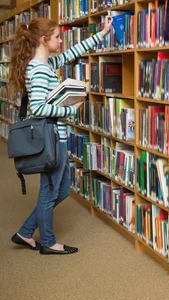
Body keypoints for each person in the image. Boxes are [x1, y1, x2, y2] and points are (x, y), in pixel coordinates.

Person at [8, 16, 113, 255]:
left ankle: (26, 232)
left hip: (57, 138)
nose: (62, 40)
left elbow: (73, 52)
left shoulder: (46, 64)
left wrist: (102, 34)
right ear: (44, 40)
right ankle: (47, 241)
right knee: (49, 191)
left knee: (62, 189)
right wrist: (69, 110)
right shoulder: (39, 70)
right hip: (51, 140)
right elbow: (38, 108)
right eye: (57, 36)